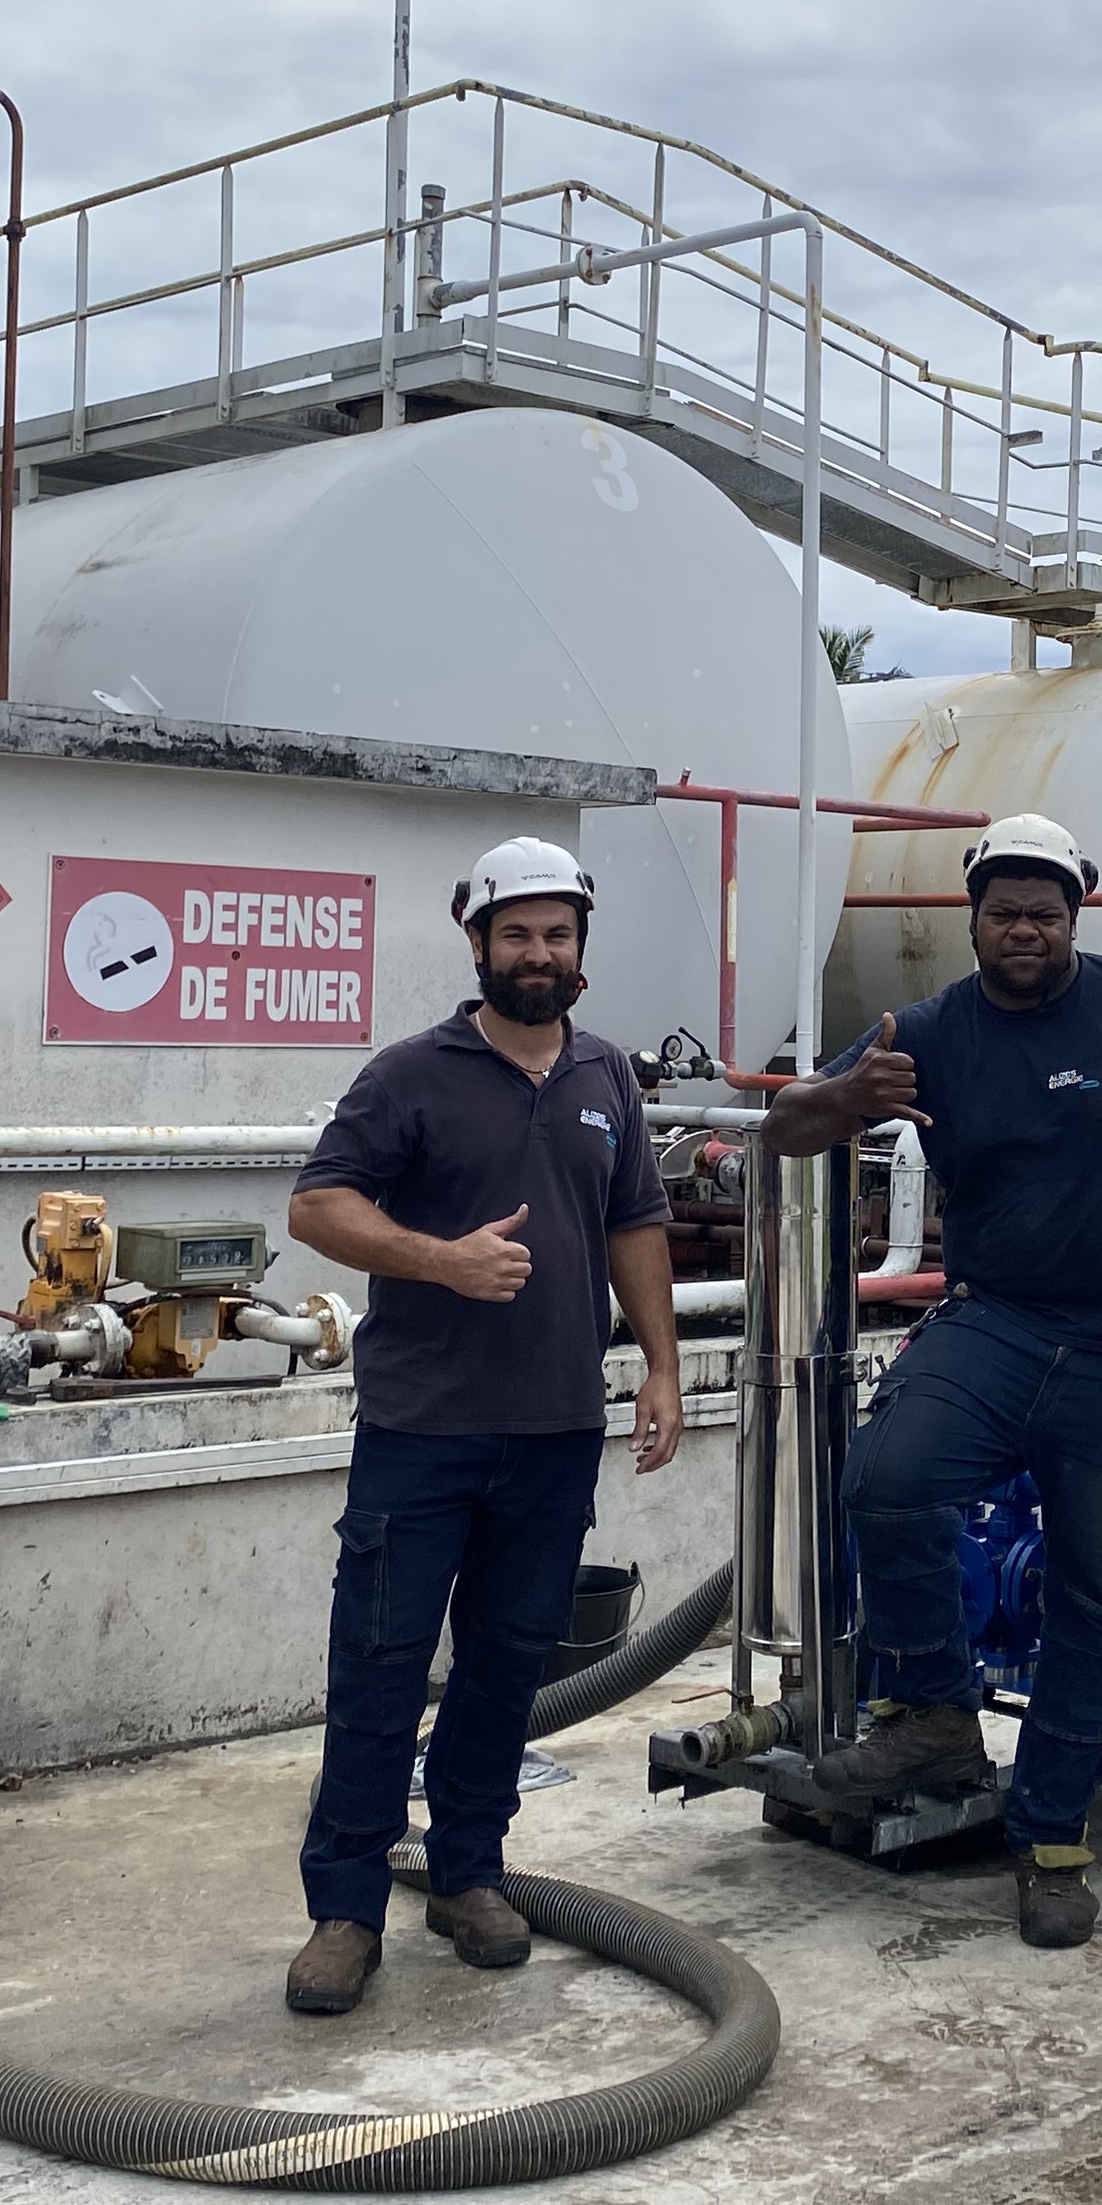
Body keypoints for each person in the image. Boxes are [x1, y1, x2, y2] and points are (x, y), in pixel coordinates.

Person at [765, 811, 1102, 1951]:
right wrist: (849, 1099)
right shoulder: (930, 1030)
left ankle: (1052, 1847)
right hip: (995, 1325)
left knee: (1095, 1599)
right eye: (1003, 911)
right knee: (888, 1482)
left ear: (1074, 919)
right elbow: (785, 1130)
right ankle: (938, 1714)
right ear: (971, 919)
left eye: (1043, 914)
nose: (1023, 930)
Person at [275, 837, 684, 2009]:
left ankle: (468, 1871)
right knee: (381, 1668)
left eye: (558, 935)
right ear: (477, 944)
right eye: (517, 934)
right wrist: (436, 1260)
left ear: (580, 951)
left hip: (556, 1427)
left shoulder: (607, 1076)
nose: (538, 954)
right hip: (426, 1428)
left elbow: (636, 1227)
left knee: (506, 1668)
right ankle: (346, 1909)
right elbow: (318, 1204)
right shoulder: (410, 1075)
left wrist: (659, 1366)